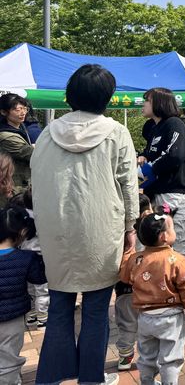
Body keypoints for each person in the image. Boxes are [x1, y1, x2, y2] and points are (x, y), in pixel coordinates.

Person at [31, 64, 139, 385]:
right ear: (108, 96)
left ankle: (52, 376)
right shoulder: (116, 132)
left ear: (70, 95)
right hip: (100, 229)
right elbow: (128, 184)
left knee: (59, 307)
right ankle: (92, 378)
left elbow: (37, 181)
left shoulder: (48, 133)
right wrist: (130, 226)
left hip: (56, 231)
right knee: (95, 311)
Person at [138, 87, 185, 306]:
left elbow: (174, 154)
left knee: (182, 246)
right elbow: (153, 156)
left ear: (158, 102)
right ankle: (175, 293)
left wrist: (147, 170)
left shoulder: (174, 124)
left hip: (176, 196)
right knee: (163, 247)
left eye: (146, 100)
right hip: (159, 195)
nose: (143, 104)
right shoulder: (154, 129)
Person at [119, 207, 185, 385]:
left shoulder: (136, 259)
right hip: (171, 319)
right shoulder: (177, 260)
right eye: (172, 228)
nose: (174, 231)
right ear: (164, 237)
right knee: (171, 358)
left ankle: (147, 381)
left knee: (147, 355)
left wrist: (128, 252)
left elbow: (125, 277)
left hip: (145, 318)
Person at [0, 203, 46, 384]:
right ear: (22, 233)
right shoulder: (24, 258)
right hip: (12, 319)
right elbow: (39, 278)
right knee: (9, 358)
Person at [114, 194, 152, 372]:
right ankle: (148, 357)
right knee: (147, 324)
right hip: (145, 290)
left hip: (123, 289)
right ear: (145, 213)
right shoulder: (149, 234)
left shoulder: (119, 235)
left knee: (126, 324)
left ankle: (125, 356)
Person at [10, 189, 49, 329]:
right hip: (39, 258)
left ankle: (31, 316)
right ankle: (43, 319)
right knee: (42, 290)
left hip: (24, 257)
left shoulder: (20, 218)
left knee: (30, 289)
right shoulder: (40, 219)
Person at [0, 93, 33, 194]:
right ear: (4, 112)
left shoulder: (21, 128)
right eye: (17, 110)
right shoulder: (5, 136)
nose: (23, 113)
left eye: (24, 109)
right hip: (13, 187)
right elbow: (30, 154)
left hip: (21, 184)